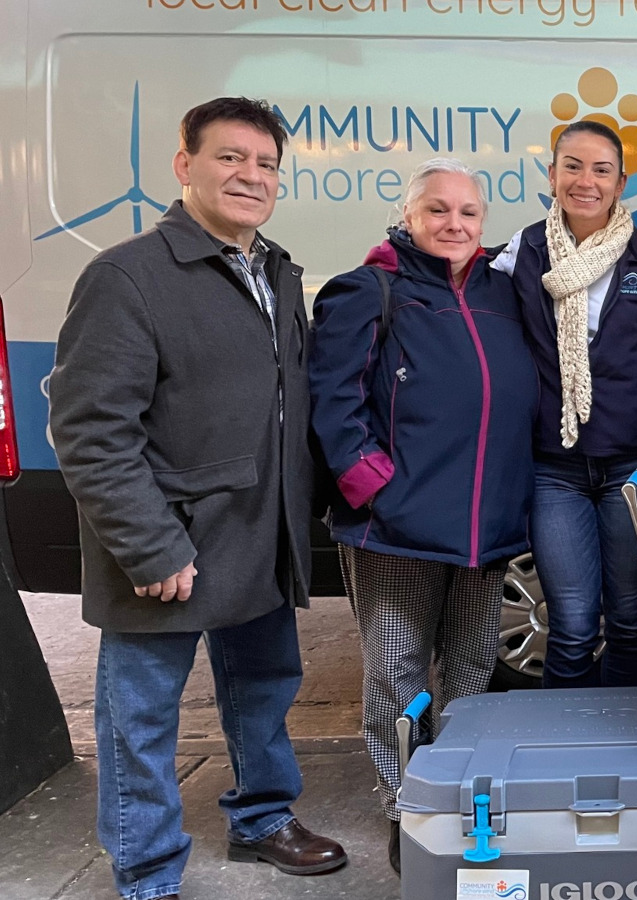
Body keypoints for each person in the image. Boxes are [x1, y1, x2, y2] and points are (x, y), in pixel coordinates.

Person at [49, 97, 346, 900]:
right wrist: (148, 544)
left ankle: (262, 817)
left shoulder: (276, 271)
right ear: (184, 166)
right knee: (140, 720)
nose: (251, 176)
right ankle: (146, 871)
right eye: (230, 158)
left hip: (257, 533)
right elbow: (88, 430)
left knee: (264, 693)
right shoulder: (127, 276)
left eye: (266, 164)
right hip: (170, 546)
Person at [308, 157, 539, 873]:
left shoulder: (504, 295)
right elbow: (333, 400)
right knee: (396, 669)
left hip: (484, 526)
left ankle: (461, 789)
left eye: (468, 213)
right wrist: (371, 485)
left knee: (472, 665)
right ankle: (404, 801)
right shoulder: (370, 289)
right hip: (400, 527)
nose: (454, 224)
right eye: (438, 210)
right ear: (410, 217)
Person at [491, 121, 637, 689]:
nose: (585, 181)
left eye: (601, 170)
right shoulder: (522, 252)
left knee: (631, 618)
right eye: (572, 166)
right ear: (551, 175)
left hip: (634, 466)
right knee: (569, 622)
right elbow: (458, 298)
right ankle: (561, 747)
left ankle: (626, 744)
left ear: (621, 182)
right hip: (553, 469)